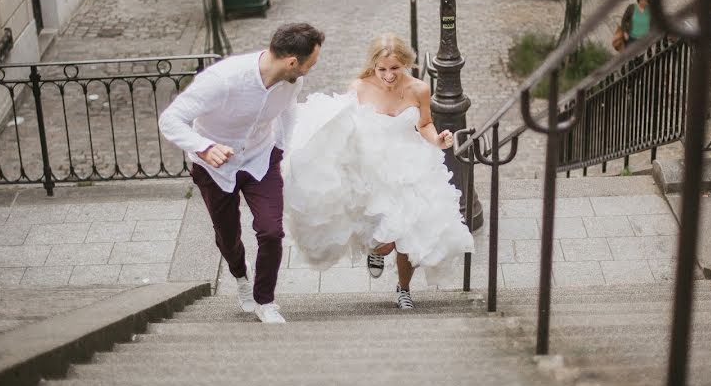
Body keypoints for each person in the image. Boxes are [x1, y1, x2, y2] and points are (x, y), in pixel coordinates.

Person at [283, 34, 474, 310]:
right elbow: (347, 126)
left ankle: (404, 289)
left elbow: (424, 124)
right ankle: (376, 250)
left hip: (411, 165)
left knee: (408, 234)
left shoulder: (419, 89)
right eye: (382, 69)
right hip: (372, 166)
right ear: (373, 65)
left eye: (395, 68)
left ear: (405, 63)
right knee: (385, 243)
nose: (388, 75)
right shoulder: (359, 87)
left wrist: (437, 140)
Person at [158, 23, 325, 324]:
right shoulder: (223, 80)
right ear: (291, 62)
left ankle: (265, 300)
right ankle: (240, 275)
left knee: (271, 231)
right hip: (214, 166)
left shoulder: (291, 82)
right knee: (227, 236)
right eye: (310, 64)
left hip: (261, 158)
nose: (309, 70)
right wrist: (204, 147)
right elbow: (170, 120)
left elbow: (288, 112)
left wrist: (284, 153)